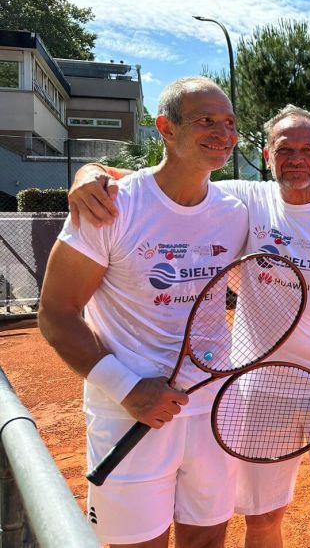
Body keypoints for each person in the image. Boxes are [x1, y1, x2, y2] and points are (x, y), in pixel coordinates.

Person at [68, 105, 310, 548]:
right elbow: (164, 180)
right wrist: (90, 173)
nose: (296, 159)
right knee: (261, 521)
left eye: (308, 150)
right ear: (267, 154)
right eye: (285, 149)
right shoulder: (244, 199)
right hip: (257, 395)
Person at [39, 76, 249, 547]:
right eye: (206, 120)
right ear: (166, 128)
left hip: (213, 407)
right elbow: (55, 312)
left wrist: (91, 168)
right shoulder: (111, 205)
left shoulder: (236, 211)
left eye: (230, 123)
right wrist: (128, 389)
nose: (223, 133)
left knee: (208, 541)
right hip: (127, 412)